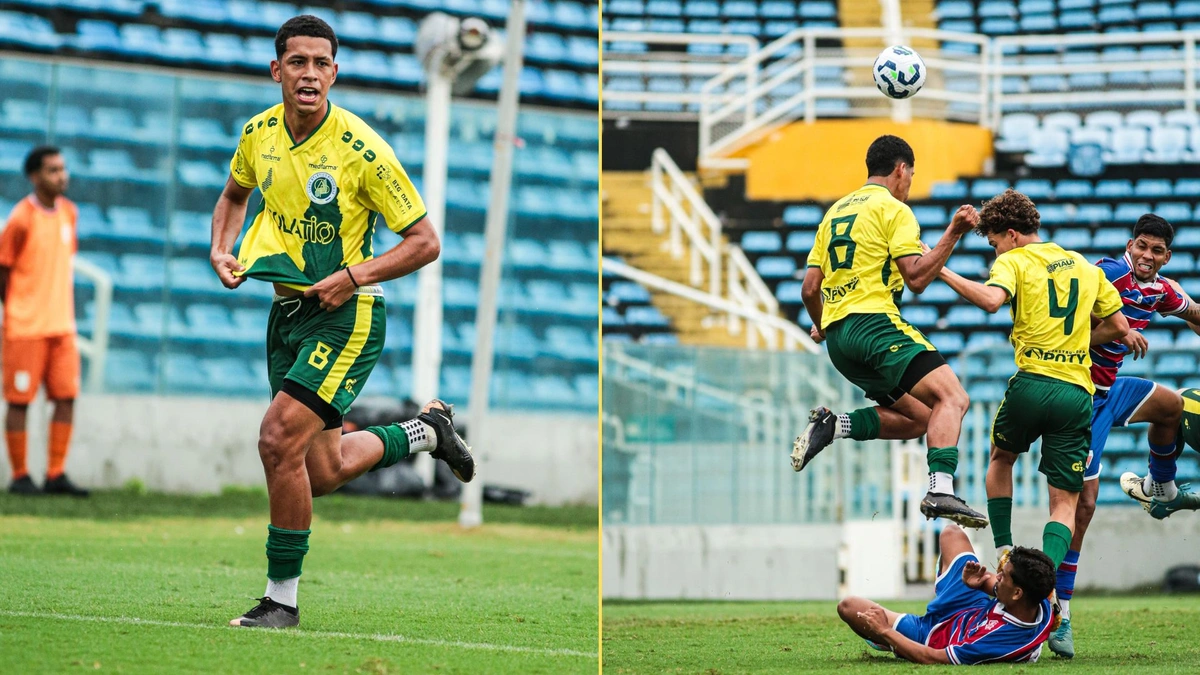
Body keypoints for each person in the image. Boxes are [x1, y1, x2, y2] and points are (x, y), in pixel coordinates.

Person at [210, 15, 475, 629]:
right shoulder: (258, 134)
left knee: (277, 440)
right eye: (297, 62)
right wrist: (221, 250)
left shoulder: (362, 150)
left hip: (346, 316)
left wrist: (354, 276)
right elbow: (231, 196)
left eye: (320, 63)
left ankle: (281, 601)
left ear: (335, 71)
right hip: (287, 315)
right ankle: (426, 433)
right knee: (320, 471)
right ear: (277, 70)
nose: (309, 74)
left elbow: (426, 241)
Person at [795, 134, 988, 528]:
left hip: (840, 341)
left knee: (920, 417)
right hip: (874, 326)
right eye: (911, 175)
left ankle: (836, 426)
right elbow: (916, 278)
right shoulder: (894, 209)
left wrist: (823, 324)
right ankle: (941, 488)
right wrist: (953, 232)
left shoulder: (833, 213)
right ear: (901, 169)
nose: (909, 183)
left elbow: (809, 289)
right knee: (953, 398)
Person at [936, 189, 1128, 574]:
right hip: (1076, 394)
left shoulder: (1016, 260)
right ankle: (1046, 587)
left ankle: (1005, 554)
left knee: (1001, 457)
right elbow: (1120, 326)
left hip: (1032, 385)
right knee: (1064, 502)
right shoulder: (1084, 266)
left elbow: (991, 301)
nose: (996, 254)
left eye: (994, 245)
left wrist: (940, 269)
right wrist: (1072, 342)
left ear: (1011, 234)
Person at [1047, 214, 1200, 658]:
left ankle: (1162, 489)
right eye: (1142, 246)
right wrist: (1118, 329)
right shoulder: (1106, 274)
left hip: (1111, 392)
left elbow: (1193, 314)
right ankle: (1061, 613)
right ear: (1129, 245)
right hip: (1077, 396)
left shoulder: (1161, 289)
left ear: (1166, 256)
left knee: (1171, 405)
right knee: (1084, 506)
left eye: (1156, 251)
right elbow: (1061, 331)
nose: (1147, 256)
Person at [0, 146, 88, 497]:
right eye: (53, 170)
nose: (61, 176)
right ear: (35, 176)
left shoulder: (69, 213)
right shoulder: (21, 218)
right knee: (19, 401)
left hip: (62, 327)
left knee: (66, 397)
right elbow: (3, 268)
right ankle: (20, 475)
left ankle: (55, 473)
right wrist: (16, 310)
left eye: (63, 169)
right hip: (25, 327)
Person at [838, 523, 1056, 665]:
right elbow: (997, 586)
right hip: (973, 607)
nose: (996, 576)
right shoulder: (1038, 601)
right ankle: (945, 589)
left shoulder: (996, 640)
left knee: (848, 606)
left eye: (1003, 575)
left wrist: (885, 631)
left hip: (931, 636)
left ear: (1018, 593)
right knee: (951, 533)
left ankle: (893, 643)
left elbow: (931, 658)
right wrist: (978, 584)